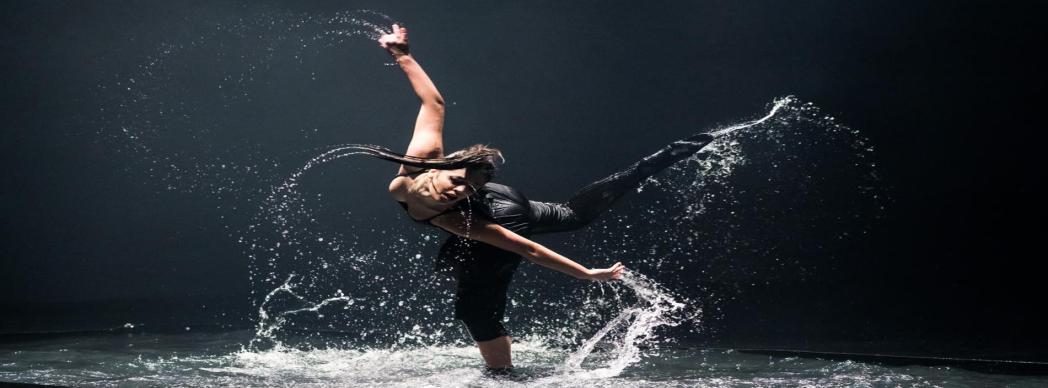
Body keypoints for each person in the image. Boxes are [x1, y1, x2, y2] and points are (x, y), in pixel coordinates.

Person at [377, 24, 714, 372]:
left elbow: (527, 248)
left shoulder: (455, 219)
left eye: (466, 188)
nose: (456, 190)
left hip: (502, 213)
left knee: (475, 307)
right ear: (439, 167)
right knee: (573, 214)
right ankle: (655, 163)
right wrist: (401, 54)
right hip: (502, 198)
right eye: (457, 180)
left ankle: (502, 375)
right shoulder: (422, 160)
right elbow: (433, 103)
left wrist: (587, 274)